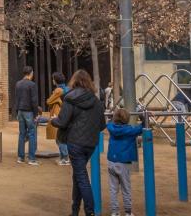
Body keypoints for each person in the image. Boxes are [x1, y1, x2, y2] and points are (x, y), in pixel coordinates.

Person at [54, 70, 107, 216]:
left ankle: (89, 211)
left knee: (82, 178)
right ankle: (74, 211)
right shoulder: (96, 101)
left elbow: (62, 121)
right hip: (90, 144)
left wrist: (52, 120)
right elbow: (102, 125)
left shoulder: (69, 98)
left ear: (74, 81)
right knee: (78, 176)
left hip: (75, 142)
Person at [104, 107, 146, 216]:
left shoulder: (111, 127)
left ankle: (115, 212)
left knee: (113, 189)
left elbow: (108, 122)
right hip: (123, 163)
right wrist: (143, 116)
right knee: (126, 188)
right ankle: (128, 212)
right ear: (127, 119)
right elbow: (143, 126)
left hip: (111, 162)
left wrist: (110, 116)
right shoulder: (130, 130)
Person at [13, 65, 41, 164]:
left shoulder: (18, 84)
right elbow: (34, 100)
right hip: (29, 111)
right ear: (31, 73)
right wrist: (36, 114)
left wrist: (17, 112)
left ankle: (20, 157)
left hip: (20, 111)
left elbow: (16, 98)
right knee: (32, 134)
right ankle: (31, 158)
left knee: (22, 134)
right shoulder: (32, 85)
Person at [46, 73, 70, 166]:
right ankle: (63, 157)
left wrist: (55, 99)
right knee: (61, 137)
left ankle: (65, 158)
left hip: (58, 114)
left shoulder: (58, 90)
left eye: (53, 79)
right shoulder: (67, 88)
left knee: (59, 138)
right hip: (65, 114)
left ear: (55, 81)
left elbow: (49, 101)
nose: (52, 80)